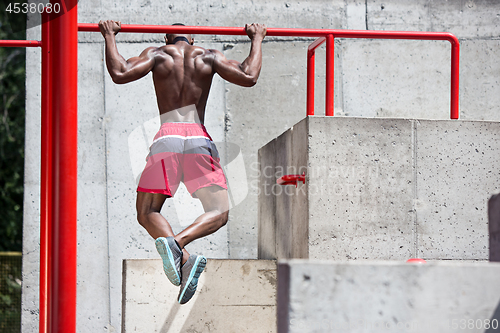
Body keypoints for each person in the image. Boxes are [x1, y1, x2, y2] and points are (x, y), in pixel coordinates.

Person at [99, 20, 267, 304]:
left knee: (147, 212)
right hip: (199, 140)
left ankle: (176, 247)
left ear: (167, 36)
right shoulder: (209, 56)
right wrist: (257, 38)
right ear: (192, 38)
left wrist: (109, 36)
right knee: (219, 212)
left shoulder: (157, 54)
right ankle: (182, 252)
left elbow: (119, 72)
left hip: (167, 140)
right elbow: (249, 76)